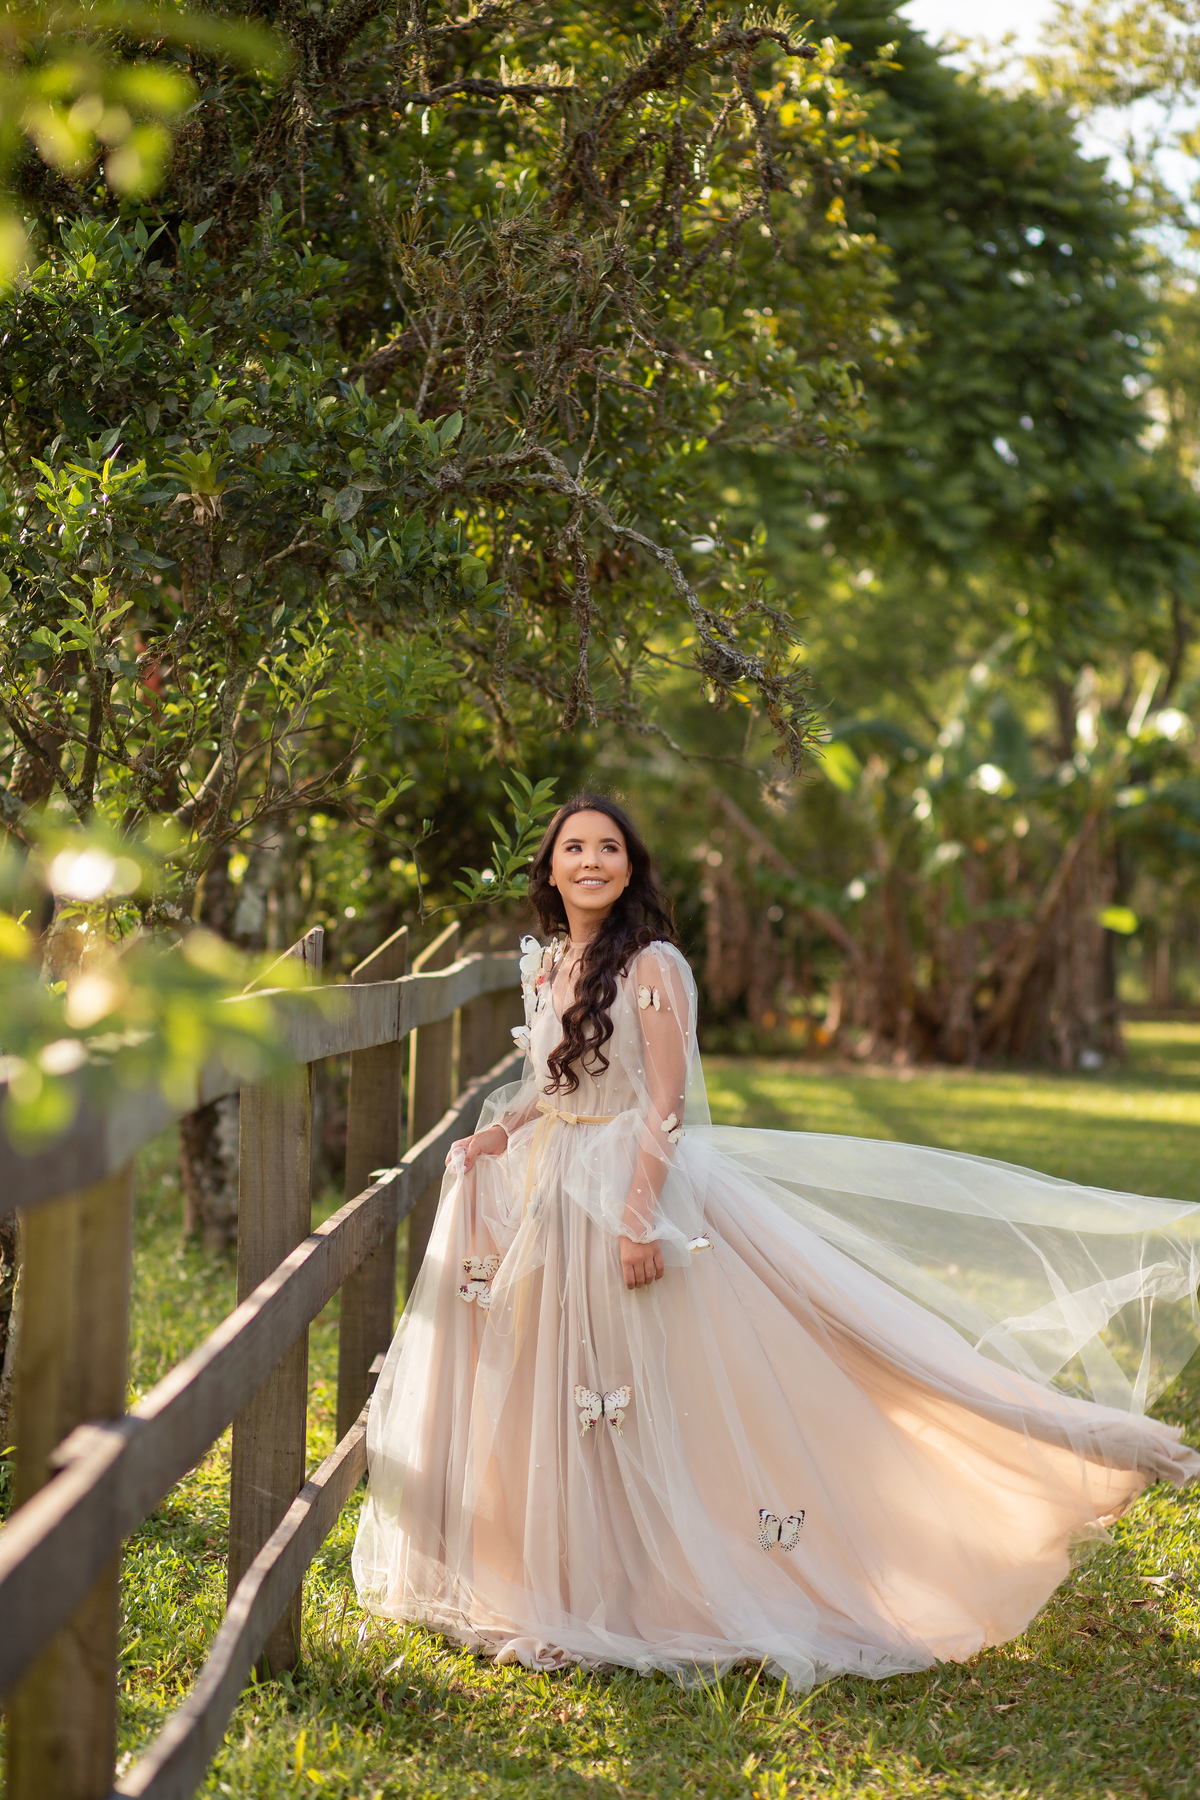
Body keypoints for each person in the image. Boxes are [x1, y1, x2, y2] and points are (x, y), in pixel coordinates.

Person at [353, 794, 1200, 1687]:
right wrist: (502, 1131)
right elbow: (552, 1083)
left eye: (610, 848)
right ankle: (570, 1580)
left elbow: (664, 1103)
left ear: (631, 868)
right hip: (555, 1196)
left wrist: (638, 1220)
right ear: (552, 868)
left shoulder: (654, 964)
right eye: (575, 847)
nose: (592, 861)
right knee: (571, 1396)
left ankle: (1057, 1451)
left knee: (662, 1386)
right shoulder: (553, 961)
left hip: (626, 1193)